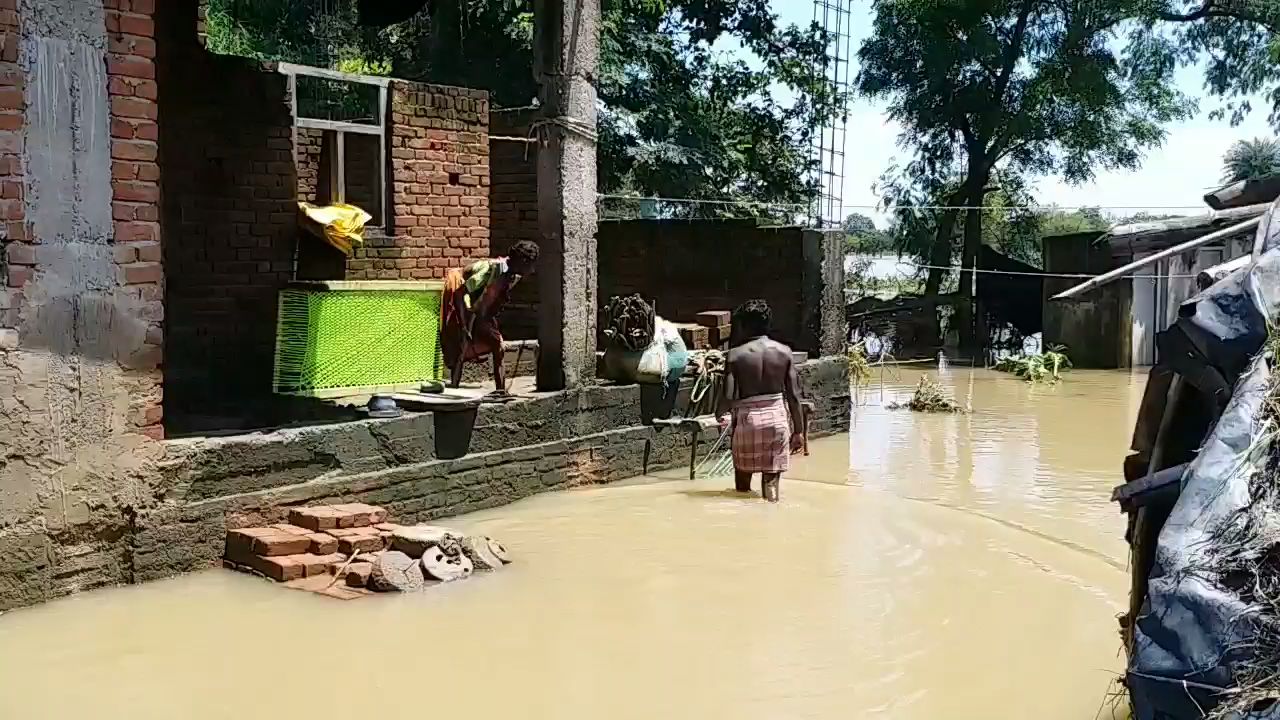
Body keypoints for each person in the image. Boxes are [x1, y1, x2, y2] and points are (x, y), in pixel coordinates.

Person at [714, 299, 804, 502]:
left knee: (742, 486)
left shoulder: (735, 355)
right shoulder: (785, 352)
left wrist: (718, 415)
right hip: (776, 420)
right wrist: (798, 432)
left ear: (743, 326)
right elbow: (794, 396)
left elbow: (728, 397)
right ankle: (770, 520)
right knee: (771, 485)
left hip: (747, 422)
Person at [441, 240, 539, 393]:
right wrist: (464, 324)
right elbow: (462, 292)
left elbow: (491, 299)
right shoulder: (492, 269)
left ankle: (501, 391)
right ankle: (454, 388)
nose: (532, 270)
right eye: (531, 265)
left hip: (481, 307)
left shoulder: (512, 276)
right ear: (523, 261)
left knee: (497, 345)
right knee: (462, 342)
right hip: (463, 299)